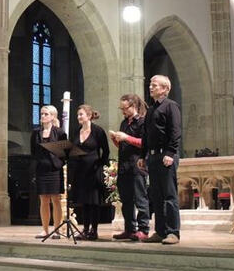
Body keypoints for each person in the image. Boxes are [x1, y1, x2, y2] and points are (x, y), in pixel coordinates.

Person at [138, 75, 181, 245]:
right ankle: (160, 231)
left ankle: (173, 232)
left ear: (165, 89)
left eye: (154, 85)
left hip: (166, 156)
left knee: (169, 196)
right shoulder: (151, 109)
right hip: (153, 156)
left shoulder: (171, 106)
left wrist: (170, 153)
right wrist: (143, 155)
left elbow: (175, 131)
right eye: (150, 84)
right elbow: (146, 135)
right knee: (156, 196)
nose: (150, 87)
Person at [110, 94, 150, 241]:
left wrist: (126, 137)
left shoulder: (142, 122)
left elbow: (144, 143)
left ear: (133, 106)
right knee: (126, 200)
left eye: (125, 108)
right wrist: (116, 140)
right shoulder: (124, 123)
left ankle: (143, 229)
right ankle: (129, 229)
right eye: (121, 108)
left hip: (137, 165)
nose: (123, 111)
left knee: (140, 198)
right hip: (124, 165)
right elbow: (123, 146)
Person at [70, 104, 110, 240]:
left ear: (89, 115)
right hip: (80, 170)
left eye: (81, 114)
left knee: (93, 201)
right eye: (77, 115)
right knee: (84, 201)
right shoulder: (76, 131)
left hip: (94, 170)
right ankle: (85, 229)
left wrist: (100, 165)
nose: (78, 117)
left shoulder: (98, 131)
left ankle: (94, 230)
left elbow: (106, 151)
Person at [30, 105, 67, 239]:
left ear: (52, 116)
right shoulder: (35, 132)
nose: (43, 116)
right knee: (43, 200)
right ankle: (45, 230)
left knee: (56, 199)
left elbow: (65, 153)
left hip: (54, 170)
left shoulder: (60, 132)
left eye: (46, 114)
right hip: (42, 170)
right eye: (42, 114)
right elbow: (33, 152)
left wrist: (58, 163)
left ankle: (56, 230)